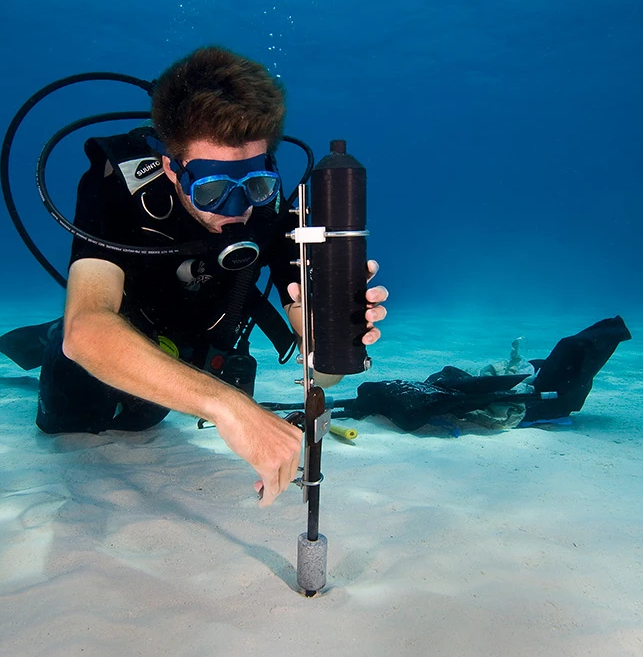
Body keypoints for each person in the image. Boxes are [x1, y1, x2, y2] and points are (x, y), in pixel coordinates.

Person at [35, 46, 389, 507]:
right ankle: (43, 334)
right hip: (122, 334)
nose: (238, 209)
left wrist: (337, 336)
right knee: (71, 417)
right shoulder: (119, 186)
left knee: (144, 419)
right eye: (214, 189)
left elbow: (320, 374)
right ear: (171, 167)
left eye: (255, 185)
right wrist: (229, 407)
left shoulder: (274, 210)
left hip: (199, 347)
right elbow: (86, 333)